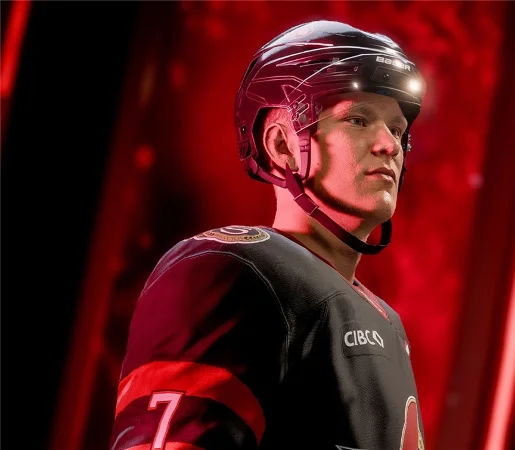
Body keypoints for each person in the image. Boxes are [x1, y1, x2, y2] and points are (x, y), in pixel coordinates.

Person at [109, 20, 427, 450]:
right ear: (281, 145)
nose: (389, 145)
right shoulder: (228, 267)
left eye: (396, 129)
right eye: (358, 119)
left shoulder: (386, 322)